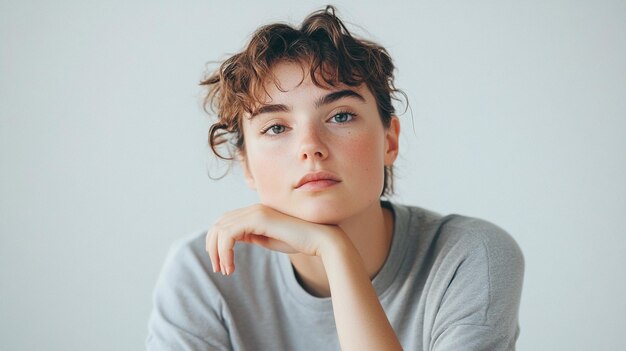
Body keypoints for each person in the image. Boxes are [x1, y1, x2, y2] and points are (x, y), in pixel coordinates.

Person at [146, 5, 524, 351]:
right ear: (245, 164)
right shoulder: (203, 273)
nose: (311, 147)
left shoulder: (468, 257)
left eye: (340, 116)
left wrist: (335, 253)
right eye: (277, 127)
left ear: (389, 140)